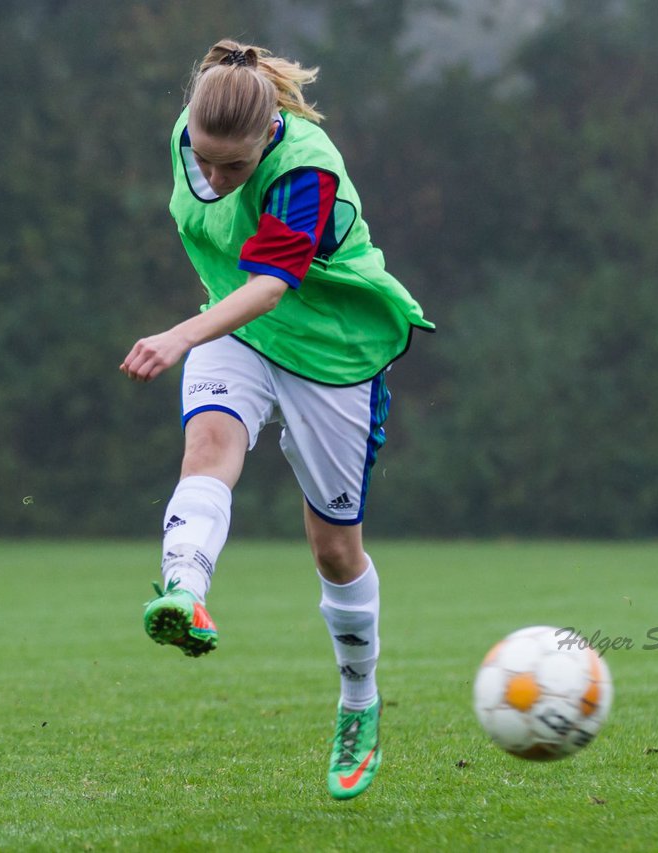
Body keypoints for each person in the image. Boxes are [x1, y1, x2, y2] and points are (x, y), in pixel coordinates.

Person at [119, 38, 434, 801]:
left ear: (268, 135)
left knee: (334, 550)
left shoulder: (306, 170)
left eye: (235, 167)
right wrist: (203, 331)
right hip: (241, 335)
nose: (216, 178)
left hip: (333, 351)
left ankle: (359, 698)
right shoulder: (191, 134)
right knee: (209, 446)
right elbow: (238, 287)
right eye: (205, 160)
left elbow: (269, 285)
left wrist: (178, 334)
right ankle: (184, 590)